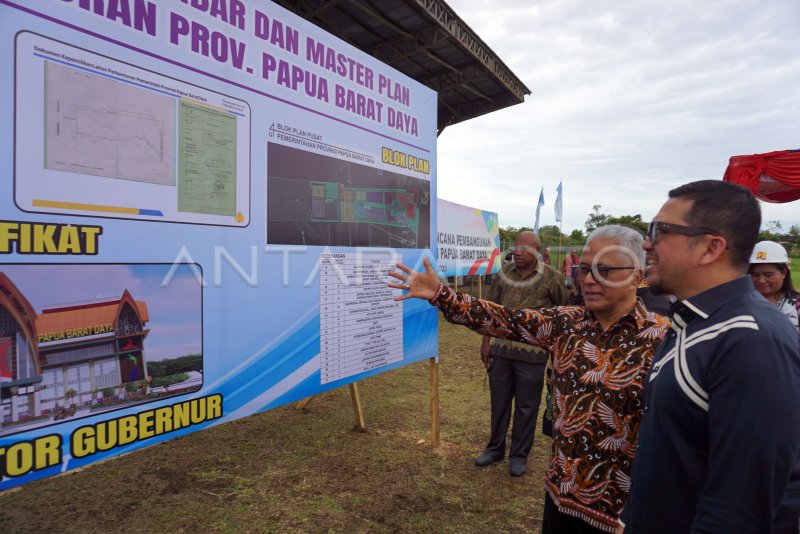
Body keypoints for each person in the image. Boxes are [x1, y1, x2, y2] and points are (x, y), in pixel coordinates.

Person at [390, 225, 670, 533]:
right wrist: (442, 295)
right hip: (560, 494)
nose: (590, 280)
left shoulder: (664, 338)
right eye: (585, 269)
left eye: (604, 270)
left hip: (621, 510)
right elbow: (504, 319)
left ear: (637, 275)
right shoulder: (566, 323)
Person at [619, 180, 800, 533]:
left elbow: (738, 510)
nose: (646, 242)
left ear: (710, 247)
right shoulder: (696, 321)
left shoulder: (750, 340)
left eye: (659, 230)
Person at [476, 231, 567, 477]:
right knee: (499, 403)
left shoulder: (553, 278)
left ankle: (519, 455)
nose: (517, 253)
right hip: (501, 352)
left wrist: (556, 350)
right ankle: (495, 449)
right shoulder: (503, 275)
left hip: (534, 357)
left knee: (527, 407)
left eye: (524, 249)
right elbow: (488, 310)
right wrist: (486, 342)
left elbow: (563, 314)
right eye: (515, 248)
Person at [749, 240, 799, 334]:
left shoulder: (797, 306)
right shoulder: (740, 304)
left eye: (768, 274)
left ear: (784, 273)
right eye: (755, 275)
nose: (761, 280)